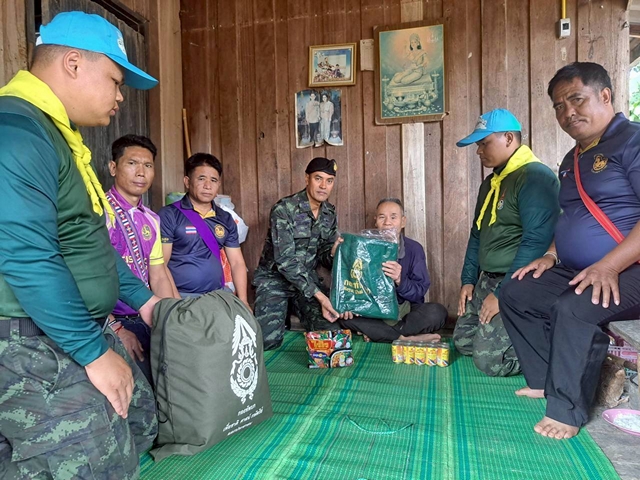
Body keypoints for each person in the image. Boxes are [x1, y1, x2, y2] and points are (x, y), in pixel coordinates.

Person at [0, 11, 160, 478]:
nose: (120, 96)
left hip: (67, 325)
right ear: (73, 63)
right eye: (115, 81)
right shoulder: (16, 131)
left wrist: (144, 299)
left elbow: (85, 241)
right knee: (100, 466)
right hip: (27, 337)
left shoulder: (59, 136)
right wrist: (93, 353)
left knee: (142, 420)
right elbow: (28, 257)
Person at [500, 62, 640, 440]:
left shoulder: (633, 141)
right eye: (559, 106)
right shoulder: (572, 158)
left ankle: (566, 410)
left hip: (630, 269)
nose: (568, 112)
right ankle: (545, 380)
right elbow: (572, 217)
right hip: (584, 267)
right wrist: (550, 255)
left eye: (577, 99)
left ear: (605, 96)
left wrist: (609, 266)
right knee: (517, 291)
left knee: (574, 307)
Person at [453, 109, 560, 377]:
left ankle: (554, 349)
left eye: (484, 143)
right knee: (463, 342)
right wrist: (468, 280)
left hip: (521, 281)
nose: (479, 151)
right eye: (478, 145)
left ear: (509, 138)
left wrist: (503, 294)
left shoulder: (534, 177)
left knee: (490, 361)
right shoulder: (492, 183)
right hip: (488, 279)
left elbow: (536, 242)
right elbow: (477, 234)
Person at [106, 134, 179, 383]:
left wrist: (172, 318)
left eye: (148, 165)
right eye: (132, 163)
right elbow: (85, 279)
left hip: (148, 316)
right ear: (113, 167)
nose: (141, 172)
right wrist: (116, 330)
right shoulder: (99, 212)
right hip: (112, 322)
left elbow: (158, 274)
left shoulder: (151, 219)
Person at [254, 157, 343, 350]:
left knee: (331, 335)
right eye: (318, 178)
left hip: (306, 282)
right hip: (274, 280)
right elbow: (285, 261)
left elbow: (323, 255)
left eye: (329, 181)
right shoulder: (284, 209)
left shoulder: (329, 213)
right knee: (267, 342)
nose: (323, 186)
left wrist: (333, 252)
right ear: (307, 179)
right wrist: (321, 296)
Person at [339, 198, 447, 343]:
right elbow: (351, 286)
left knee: (437, 312)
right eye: (382, 217)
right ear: (375, 221)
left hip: (404, 312)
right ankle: (404, 338)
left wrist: (400, 280)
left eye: (393, 217)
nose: (387, 223)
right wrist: (349, 304)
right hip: (372, 312)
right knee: (341, 315)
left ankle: (381, 334)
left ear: (403, 221)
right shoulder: (362, 247)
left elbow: (419, 291)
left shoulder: (414, 249)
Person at [159, 153, 249, 304]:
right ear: (187, 182)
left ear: (218, 184)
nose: (208, 186)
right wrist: (176, 303)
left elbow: (237, 262)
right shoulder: (169, 215)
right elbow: (162, 263)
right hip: (181, 296)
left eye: (213, 180)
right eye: (201, 179)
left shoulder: (225, 218)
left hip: (217, 295)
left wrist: (243, 300)